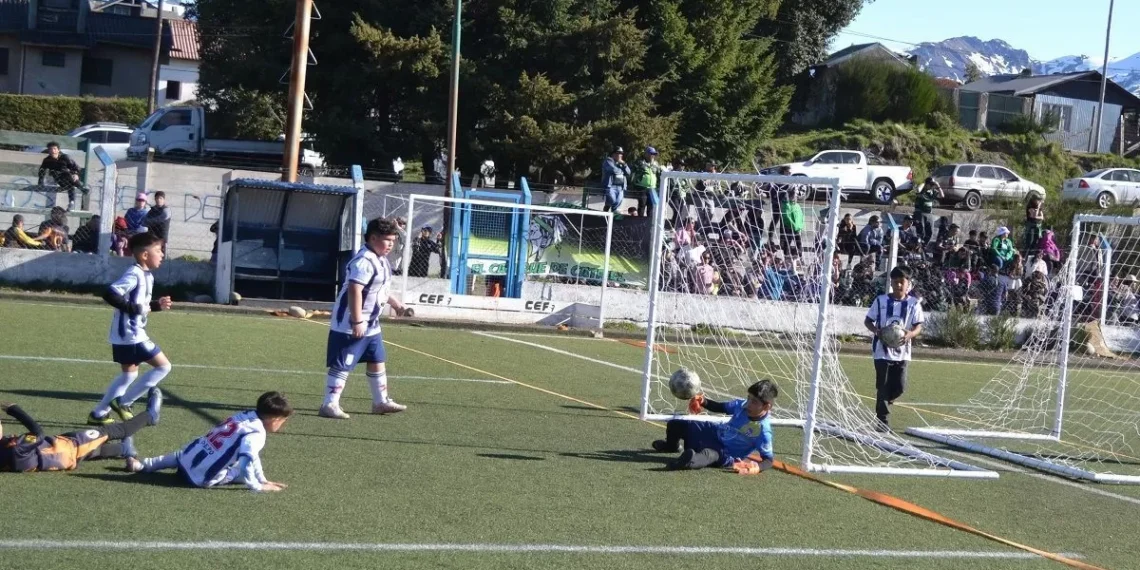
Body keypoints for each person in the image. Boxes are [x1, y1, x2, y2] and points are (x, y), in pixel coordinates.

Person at [318, 218, 409, 419]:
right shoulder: (364, 261)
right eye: (388, 240)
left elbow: (381, 287)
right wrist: (357, 321)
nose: (391, 245)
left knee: (377, 359)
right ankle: (329, 404)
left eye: (393, 240)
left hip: (372, 324)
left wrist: (396, 304)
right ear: (374, 238)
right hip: (351, 323)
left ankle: (380, 401)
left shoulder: (382, 260)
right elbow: (355, 289)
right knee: (343, 362)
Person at [89, 232, 174, 425]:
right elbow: (110, 294)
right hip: (131, 334)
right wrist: (135, 309)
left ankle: (98, 414)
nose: (162, 255)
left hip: (128, 334)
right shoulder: (134, 273)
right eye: (159, 251)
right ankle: (125, 402)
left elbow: (139, 304)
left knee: (129, 374)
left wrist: (156, 305)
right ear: (145, 255)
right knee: (163, 366)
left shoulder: (147, 276)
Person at [132, 391, 292, 492]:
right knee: (238, 470)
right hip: (201, 478)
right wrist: (259, 486)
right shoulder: (257, 433)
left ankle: (144, 464)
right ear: (275, 419)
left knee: (181, 454)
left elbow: (252, 453)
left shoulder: (244, 415)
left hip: (185, 460)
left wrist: (262, 477)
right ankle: (247, 481)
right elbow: (246, 462)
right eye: (283, 420)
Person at [1, 389, 161, 473]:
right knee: (114, 430)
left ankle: (125, 449)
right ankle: (150, 416)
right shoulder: (14, 447)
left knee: (92, 451)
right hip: (69, 447)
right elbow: (38, 433)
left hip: (58, 458)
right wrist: (13, 409)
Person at [650, 379, 778, 472]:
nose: (748, 403)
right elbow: (720, 407)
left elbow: (768, 460)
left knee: (709, 455)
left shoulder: (763, 431)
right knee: (676, 423)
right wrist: (703, 401)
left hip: (725, 453)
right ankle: (671, 446)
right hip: (714, 433)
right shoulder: (742, 405)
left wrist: (756, 468)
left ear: (767, 406)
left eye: (754, 401)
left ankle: (688, 460)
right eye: (749, 398)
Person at [864, 266, 925, 431]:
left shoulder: (913, 303)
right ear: (890, 282)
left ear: (908, 284)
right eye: (895, 282)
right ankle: (882, 421)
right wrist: (878, 331)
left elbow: (919, 325)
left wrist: (910, 334)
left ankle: (887, 400)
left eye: (901, 282)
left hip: (903, 353)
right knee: (882, 385)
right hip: (881, 352)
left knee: (900, 387)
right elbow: (868, 321)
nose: (898, 285)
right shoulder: (880, 301)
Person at [37, 142, 83, 211]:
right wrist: (40, 181)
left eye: (55, 149)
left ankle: (71, 202)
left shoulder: (65, 157)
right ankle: (81, 187)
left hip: (70, 178)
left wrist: (76, 174)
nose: (53, 151)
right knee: (56, 172)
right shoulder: (47, 160)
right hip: (60, 180)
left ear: (58, 150)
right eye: (50, 149)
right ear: (48, 151)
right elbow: (42, 171)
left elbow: (76, 167)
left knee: (67, 175)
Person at [630, 146, 662, 218]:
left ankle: (649, 222)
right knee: (642, 204)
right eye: (651, 153)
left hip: (652, 188)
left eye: (654, 154)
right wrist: (633, 183)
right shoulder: (639, 162)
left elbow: (659, 174)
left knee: (651, 206)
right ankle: (640, 221)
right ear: (646, 154)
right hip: (641, 187)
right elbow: (632, 172)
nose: (652, 155)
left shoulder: (656, 164)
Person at [913, 177, 943, 245]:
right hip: (919, 213)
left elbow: (942, 196)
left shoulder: (932, 191)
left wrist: (938, 185)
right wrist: (924, 183)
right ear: (926, 184)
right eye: (930, 184)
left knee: (930, 232)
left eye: (933, 184)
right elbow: (917, 190)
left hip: (929, 214)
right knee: (921, 230)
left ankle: (924, 245)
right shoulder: (921, 190)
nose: (932, 186)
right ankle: (918, 244)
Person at [601, 147, 630, 213]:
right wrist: (622, 171)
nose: (620, 155)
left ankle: (613, 215)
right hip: (611, 186)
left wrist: (624, 164)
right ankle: (606, 208)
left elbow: (628, 172)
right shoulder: (608, 161)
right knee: (612, 200)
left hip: (621, 187)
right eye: (618, 153)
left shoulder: (622, 163)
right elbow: (614, 170)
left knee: (618, 201)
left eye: (621, 153)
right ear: (613, 154)